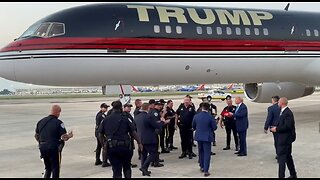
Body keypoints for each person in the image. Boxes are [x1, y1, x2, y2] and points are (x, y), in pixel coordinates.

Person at [98, 101, 143, 178]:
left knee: (116, 169)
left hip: (112, 147)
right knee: (127, 167)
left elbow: (100, 134)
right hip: (125, 147)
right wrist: (139, 142)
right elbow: (133, 132)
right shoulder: (125, 119)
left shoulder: (106, 119)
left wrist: (103, 145)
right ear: (121, 108)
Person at [34, 105, 73, 178]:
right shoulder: (58, 122)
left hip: (42, 147)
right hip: (53, 147)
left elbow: (36, 135)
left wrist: (42, 143)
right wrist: (69, 136)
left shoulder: (41, 121)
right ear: (58, 112)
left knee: (48, 168)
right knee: (55, 168)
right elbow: (64, 137)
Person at [135, 103, 170, 176]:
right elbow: (156, 125)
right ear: (148, 108)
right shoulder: (148, 116)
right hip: (149, 138)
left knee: (143, 154)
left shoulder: (137, 117)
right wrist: (163, 122)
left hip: (141, 138)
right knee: (153, 153)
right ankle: (144, 167)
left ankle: (144, 170)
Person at [270, 97, 297, 178]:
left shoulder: (287, 113)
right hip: (285, 139)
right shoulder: (283, 112)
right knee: (288, 157)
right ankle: (293, 174)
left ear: (281, 103)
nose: (277, 104)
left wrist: (276, 129)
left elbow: (288, 126)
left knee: (281, 159)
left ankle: (281, 176)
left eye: (278, 103)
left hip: (285, 140)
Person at [192, 102, 217, 177]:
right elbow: (214, 128)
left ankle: (201, 166)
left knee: (201, 152)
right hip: (207, 137)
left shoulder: (196, 116)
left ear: (202, 108)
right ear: (208, 108)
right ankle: (206, 170)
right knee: (207, 153)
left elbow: (193, 126)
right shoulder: (210, 116)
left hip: (199, 136)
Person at [176, 95, 197, 159]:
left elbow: (195, 117)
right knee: (183, 140)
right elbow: (177, 114)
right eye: (185, 100)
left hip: (189, 126)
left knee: (189, 140)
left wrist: (194, 125)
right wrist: (176, 123)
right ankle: (184, 152)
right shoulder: (181, 107)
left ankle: (190, 152)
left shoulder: (191, 108)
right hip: (182, 126)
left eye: (187, 100)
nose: (186, 102)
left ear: (189, 101)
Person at [264, 96, 281, 160]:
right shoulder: (281, 107)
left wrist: (266, 127)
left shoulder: (271, 108)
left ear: (274, 101)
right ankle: (281, 154)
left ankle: (278, 154)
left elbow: (269, 118)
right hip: (282, 127)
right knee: (281, 141)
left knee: (276, 141)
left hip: (274, 127)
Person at [95, 103, 111, 167]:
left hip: (98, 132)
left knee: (99, 146)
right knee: (105, 146)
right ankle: (104, 161)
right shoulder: (101, 115)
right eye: (105, 107)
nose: (106, 109)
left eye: (106, 107)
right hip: (100, 133)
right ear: (101, 107)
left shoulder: (101, 114)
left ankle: (97, 160)